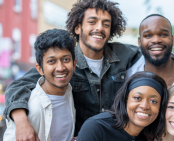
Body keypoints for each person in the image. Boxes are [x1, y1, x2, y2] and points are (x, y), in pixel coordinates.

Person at [3, 0, 141, 140]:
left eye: (106, 24)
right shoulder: (63, 61)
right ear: (77, 28)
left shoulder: (124, 54)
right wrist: (21, 122)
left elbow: (150, 53)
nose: (99, 28)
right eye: (92, 22)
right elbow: (17, 86)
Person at [4, 29, 76, 141]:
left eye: (66, 59)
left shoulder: (69, 92)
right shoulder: (32, 108)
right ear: (39, 69)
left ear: (74, 63)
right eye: (51, 61)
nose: (61, 68)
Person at [77, 71, 168, 141]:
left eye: (153, 101)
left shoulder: (150, 137)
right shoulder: (96, 127)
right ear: (125, 99)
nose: (144, 106)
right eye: (137, 98)